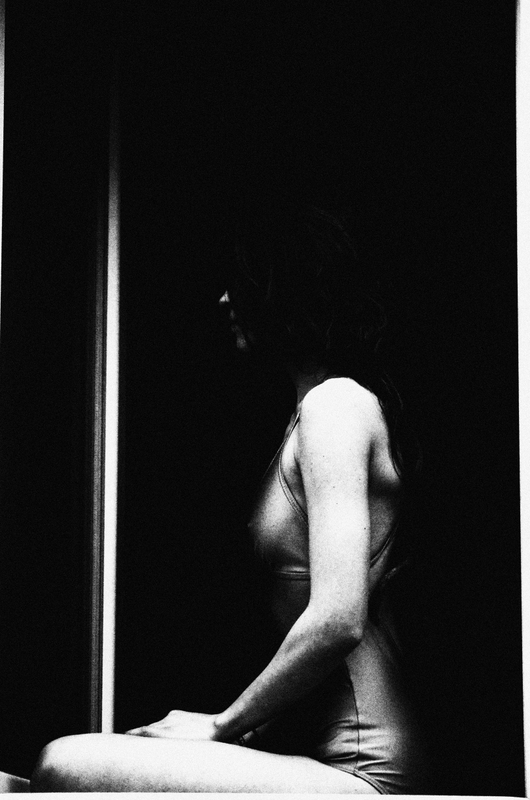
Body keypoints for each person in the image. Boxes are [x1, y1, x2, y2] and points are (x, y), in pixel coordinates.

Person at [3, 201, 425, 793]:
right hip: (332, 758)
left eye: (241, 282)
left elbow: (337, 620)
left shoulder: (336, 406)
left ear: (283, 288)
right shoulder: (314, 415)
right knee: (16, 784)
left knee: (60, 764)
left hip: (364, 770)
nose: (224, 301)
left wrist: (221, 725)